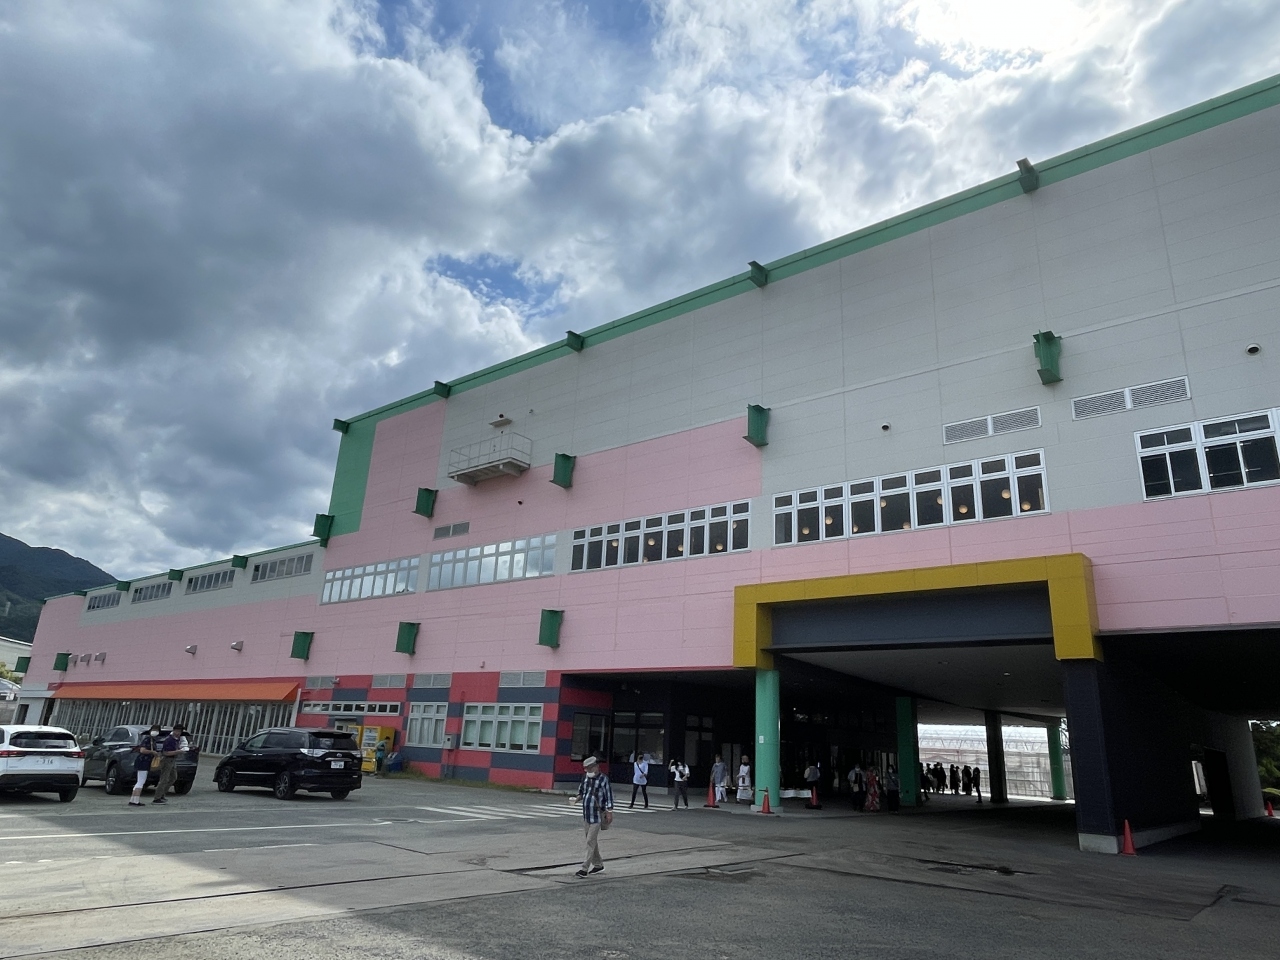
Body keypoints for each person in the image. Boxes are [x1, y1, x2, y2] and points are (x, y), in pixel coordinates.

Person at [572, 756, 613, 877]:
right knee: (591, 841)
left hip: (597, 815)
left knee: (590, 841)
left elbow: (609, 796)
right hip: (586, 814)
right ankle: (598, 865)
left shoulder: (603, 779)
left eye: (590, 768)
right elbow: (581, 792)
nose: (588, 771)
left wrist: (609, 811)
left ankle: (584, 869)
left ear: (596, 767)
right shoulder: (585, 778)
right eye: (586, 769)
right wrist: (576, 799)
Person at [129, 724, 160, 807]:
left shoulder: (152, 740)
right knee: (141, 781)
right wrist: (152, 752)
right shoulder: (148, 739)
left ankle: (133, 799)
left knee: (139, 781)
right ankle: (135, 800)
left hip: (144, 762)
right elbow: (142, 750)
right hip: (143, 762)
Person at [152, 725, 182, 804]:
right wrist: (178, 752)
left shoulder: (177, 740)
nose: (178, 733)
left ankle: (162, 794)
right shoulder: (169, 740)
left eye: (179, 731)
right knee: (164, 779)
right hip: (167, 760)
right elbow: (165, 753)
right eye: (177, 731)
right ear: (174, 731)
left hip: (173, 760)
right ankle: (157, 798)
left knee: (173, 777)